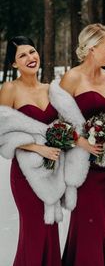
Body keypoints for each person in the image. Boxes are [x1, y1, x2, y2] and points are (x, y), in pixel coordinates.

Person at [54, 23, 105, 266]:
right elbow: (55, 125)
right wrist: (80, 141)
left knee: (102, 226)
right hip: (84, 169)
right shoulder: (71, 78)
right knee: (87, 227)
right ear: (92, 48)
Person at [0, 36, 62, 265]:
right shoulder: (9, 89)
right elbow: (2, 132)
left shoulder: (50, 89)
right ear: (14, 63)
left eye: (32, 51)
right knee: (34, 231)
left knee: (50, 229)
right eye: (22, 55)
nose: (30, 58)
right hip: (25, 175)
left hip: (51, 172)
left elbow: (62, 125)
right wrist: (37, 148)